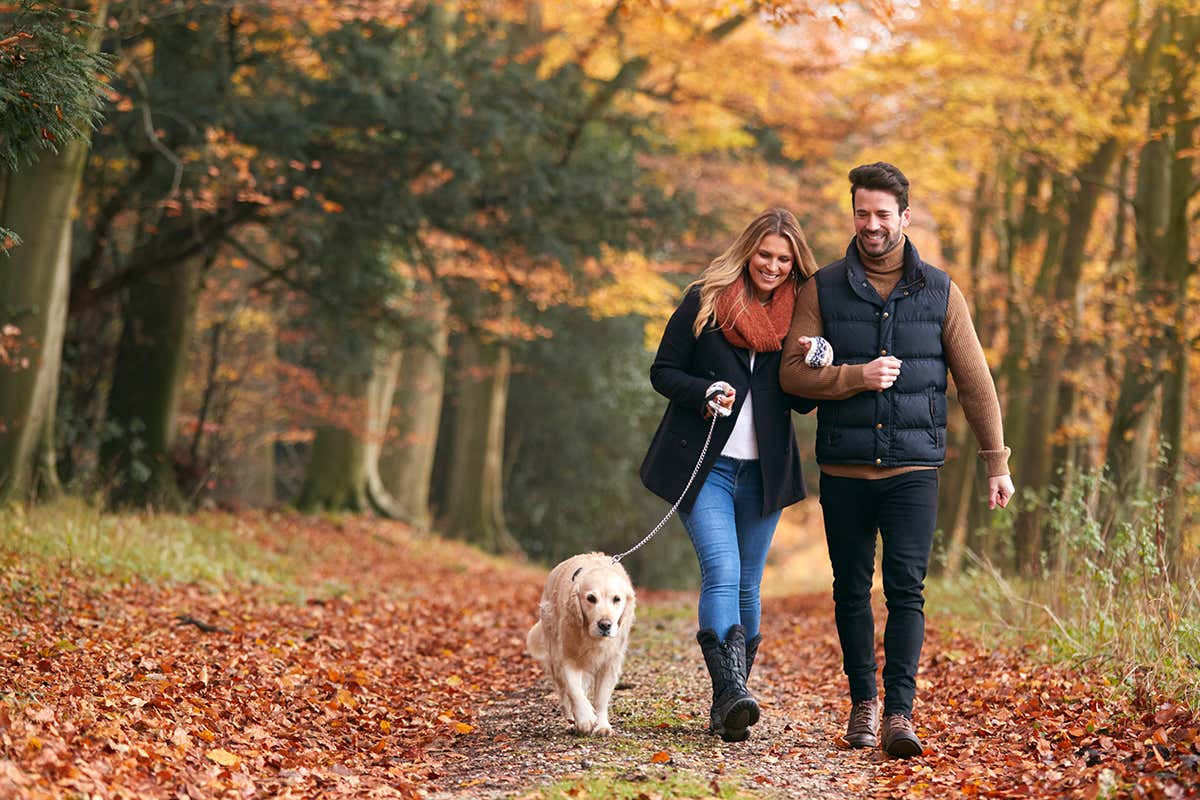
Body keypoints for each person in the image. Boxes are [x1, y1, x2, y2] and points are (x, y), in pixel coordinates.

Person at [779, 162, 1016, 758]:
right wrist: (854, 377)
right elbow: (790, 375)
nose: (872, 225)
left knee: (907, 589)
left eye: (884, 215)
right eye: (862, 213)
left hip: (914, 470)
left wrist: (997, 461)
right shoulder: (823, 289)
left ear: (905, 218)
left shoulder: (940, 291)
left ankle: (900, 713)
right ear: (853, 214)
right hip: (844, 469)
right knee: (851, 591)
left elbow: (975, 381)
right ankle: (863, 704)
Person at [640, 207, 822, 742]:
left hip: (763, 474)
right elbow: (663, 371)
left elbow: (804, 405)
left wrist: (814, 361)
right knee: (721, 569)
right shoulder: (706, 300)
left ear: (794, 264)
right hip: (706, 467)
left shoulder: (801, 317)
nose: (772, 266)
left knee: (748, 581)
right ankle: (730, 694)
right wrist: (703, 392)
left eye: (783, 259)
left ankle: (731, 700)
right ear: (748, 251)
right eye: (765, 254)